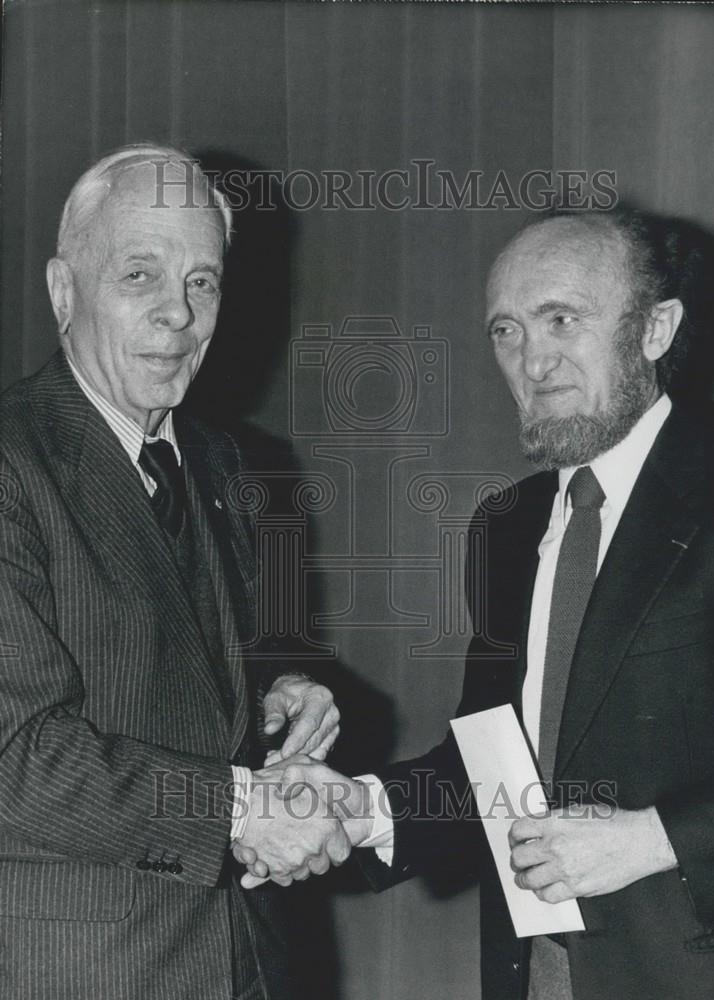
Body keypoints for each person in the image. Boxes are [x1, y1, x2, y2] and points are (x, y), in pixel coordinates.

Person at [238, 211, 714, 999]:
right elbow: (495, 767)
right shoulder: (506, 529)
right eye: (505, 331)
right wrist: (357, 806)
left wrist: (652, 839)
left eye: (561, 320)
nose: (532, 360)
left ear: (655, 329)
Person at [0, 144, 347, 1000]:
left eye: (203, 281)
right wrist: (241, 807)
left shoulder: (223, 464)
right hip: (80, 973)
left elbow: (177, 677)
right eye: (139, 275)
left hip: (246, 961)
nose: (178, 316)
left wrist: (275, 696)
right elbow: (17, 755)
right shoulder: (11, 461)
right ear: (62, 291)